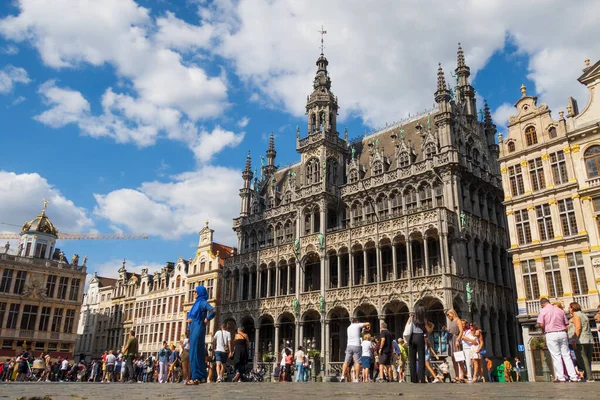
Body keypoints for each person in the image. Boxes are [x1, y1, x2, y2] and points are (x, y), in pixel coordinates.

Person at [537, 298, 579, 382]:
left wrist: (544, 327)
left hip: (551, 334)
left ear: (542, 305)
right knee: (566, 355)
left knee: (556, 356)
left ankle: (561, 377)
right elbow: (566, 324)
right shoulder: (560, 310)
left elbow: (541, 324)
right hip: (562, 333)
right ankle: (573, 376)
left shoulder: (543, 311)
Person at [186, 285, 215, 385]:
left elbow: (213, 310)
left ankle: (196, 377)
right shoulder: (196, 303)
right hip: (195, 328)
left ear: (200, 293)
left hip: (198, 328)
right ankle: (202, 377)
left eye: (195, 291)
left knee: (194, 353)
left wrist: (207, 319)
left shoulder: (202, 302)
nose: (193, 293)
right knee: (198, 353)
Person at [568, 302, 593, 381]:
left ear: (573, 308)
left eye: (569, 307)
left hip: (581, 340)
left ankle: (589, 377)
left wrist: (575, 340)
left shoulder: (576, 315)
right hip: (589, 339)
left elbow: (578, 327)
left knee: (582, 359)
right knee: (588, 359)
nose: (569, 309)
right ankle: (588, 376)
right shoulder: (584, 315)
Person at [407, 304, 428, 383]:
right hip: (420, 337)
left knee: (412, 359)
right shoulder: (424, 319)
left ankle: (413, 378)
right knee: (421, 358)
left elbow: (407, 325)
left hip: (412, 337)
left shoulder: (412, 317)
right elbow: (426, 330)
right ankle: (421, 378)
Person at [446, 309, 464, 382]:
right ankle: (456, 376)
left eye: (448, 315)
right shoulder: (450, 322)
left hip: (456, 339)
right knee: (453, 359)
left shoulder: (458, 320)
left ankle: (462, 376)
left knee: (459, 358)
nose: (448, 316)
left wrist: (458, 340)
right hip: (451, 340)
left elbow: (461, 331)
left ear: (452, 313)